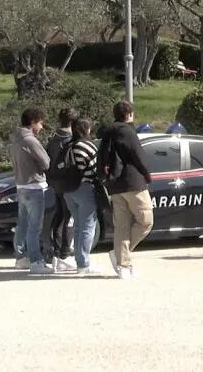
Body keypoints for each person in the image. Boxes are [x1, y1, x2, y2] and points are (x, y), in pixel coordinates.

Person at [98, 101, 154, 279]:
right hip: (132, 182)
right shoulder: (127, 132)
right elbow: (138, 156)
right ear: (129, 114)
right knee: (146, 220)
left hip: (114, 184)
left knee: (121, 226)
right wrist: (148, 175)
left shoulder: (107, 133)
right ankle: (121, 256)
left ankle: (123, 265)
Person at [11, 108, 54, 274]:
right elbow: (46, 162)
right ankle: (36, 261)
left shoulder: (15, 139)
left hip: (21, 186)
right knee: (34, 227)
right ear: (33, 122)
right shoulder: (30, 140)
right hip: (35, 186)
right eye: (41, 123)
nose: (41, 127)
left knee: (22, 224)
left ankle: (21, 257)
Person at [63, 118, 101, 274]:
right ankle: (83, 263)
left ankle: (79, 261)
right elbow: (95, 167)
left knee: (78, 225)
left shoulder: (68, 146)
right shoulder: (87, 145)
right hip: (85, 188)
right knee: (88, 226)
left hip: (68, 190)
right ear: (87, 129)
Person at [45, 107, 78, 272]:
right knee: (68, 217)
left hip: (54, 182)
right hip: (67, 183)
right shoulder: (71, 139)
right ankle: (65, 252)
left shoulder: (52, 138)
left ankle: (56, 251)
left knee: (59, 215)